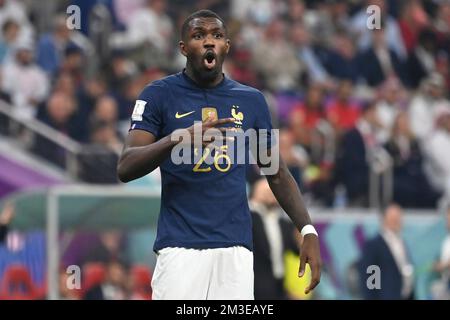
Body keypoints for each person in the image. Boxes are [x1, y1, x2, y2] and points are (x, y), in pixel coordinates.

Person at [117, 10, 321, 300]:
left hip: (235, 250)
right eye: (199, 36)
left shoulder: (252, 101)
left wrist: (308, 229)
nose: (209, 42)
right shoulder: (158, 95)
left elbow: (276, 172)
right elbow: (125, 166)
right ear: (184, 48)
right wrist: (177, 139)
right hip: (180, 248)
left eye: (216, 35)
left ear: (227, 45)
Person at [250, 179, 299, 300]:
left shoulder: (282, 222)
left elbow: (294, 248)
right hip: (256, 285)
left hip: (279, 284)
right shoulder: (249, 219)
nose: (272, 195)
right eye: (267, 192)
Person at [359, 204, 415, 300]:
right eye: (393, 218)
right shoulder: (374, 245)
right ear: (384, 219)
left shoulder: (401, 242)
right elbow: (370, 279)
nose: (397, 221)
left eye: (399, 218)